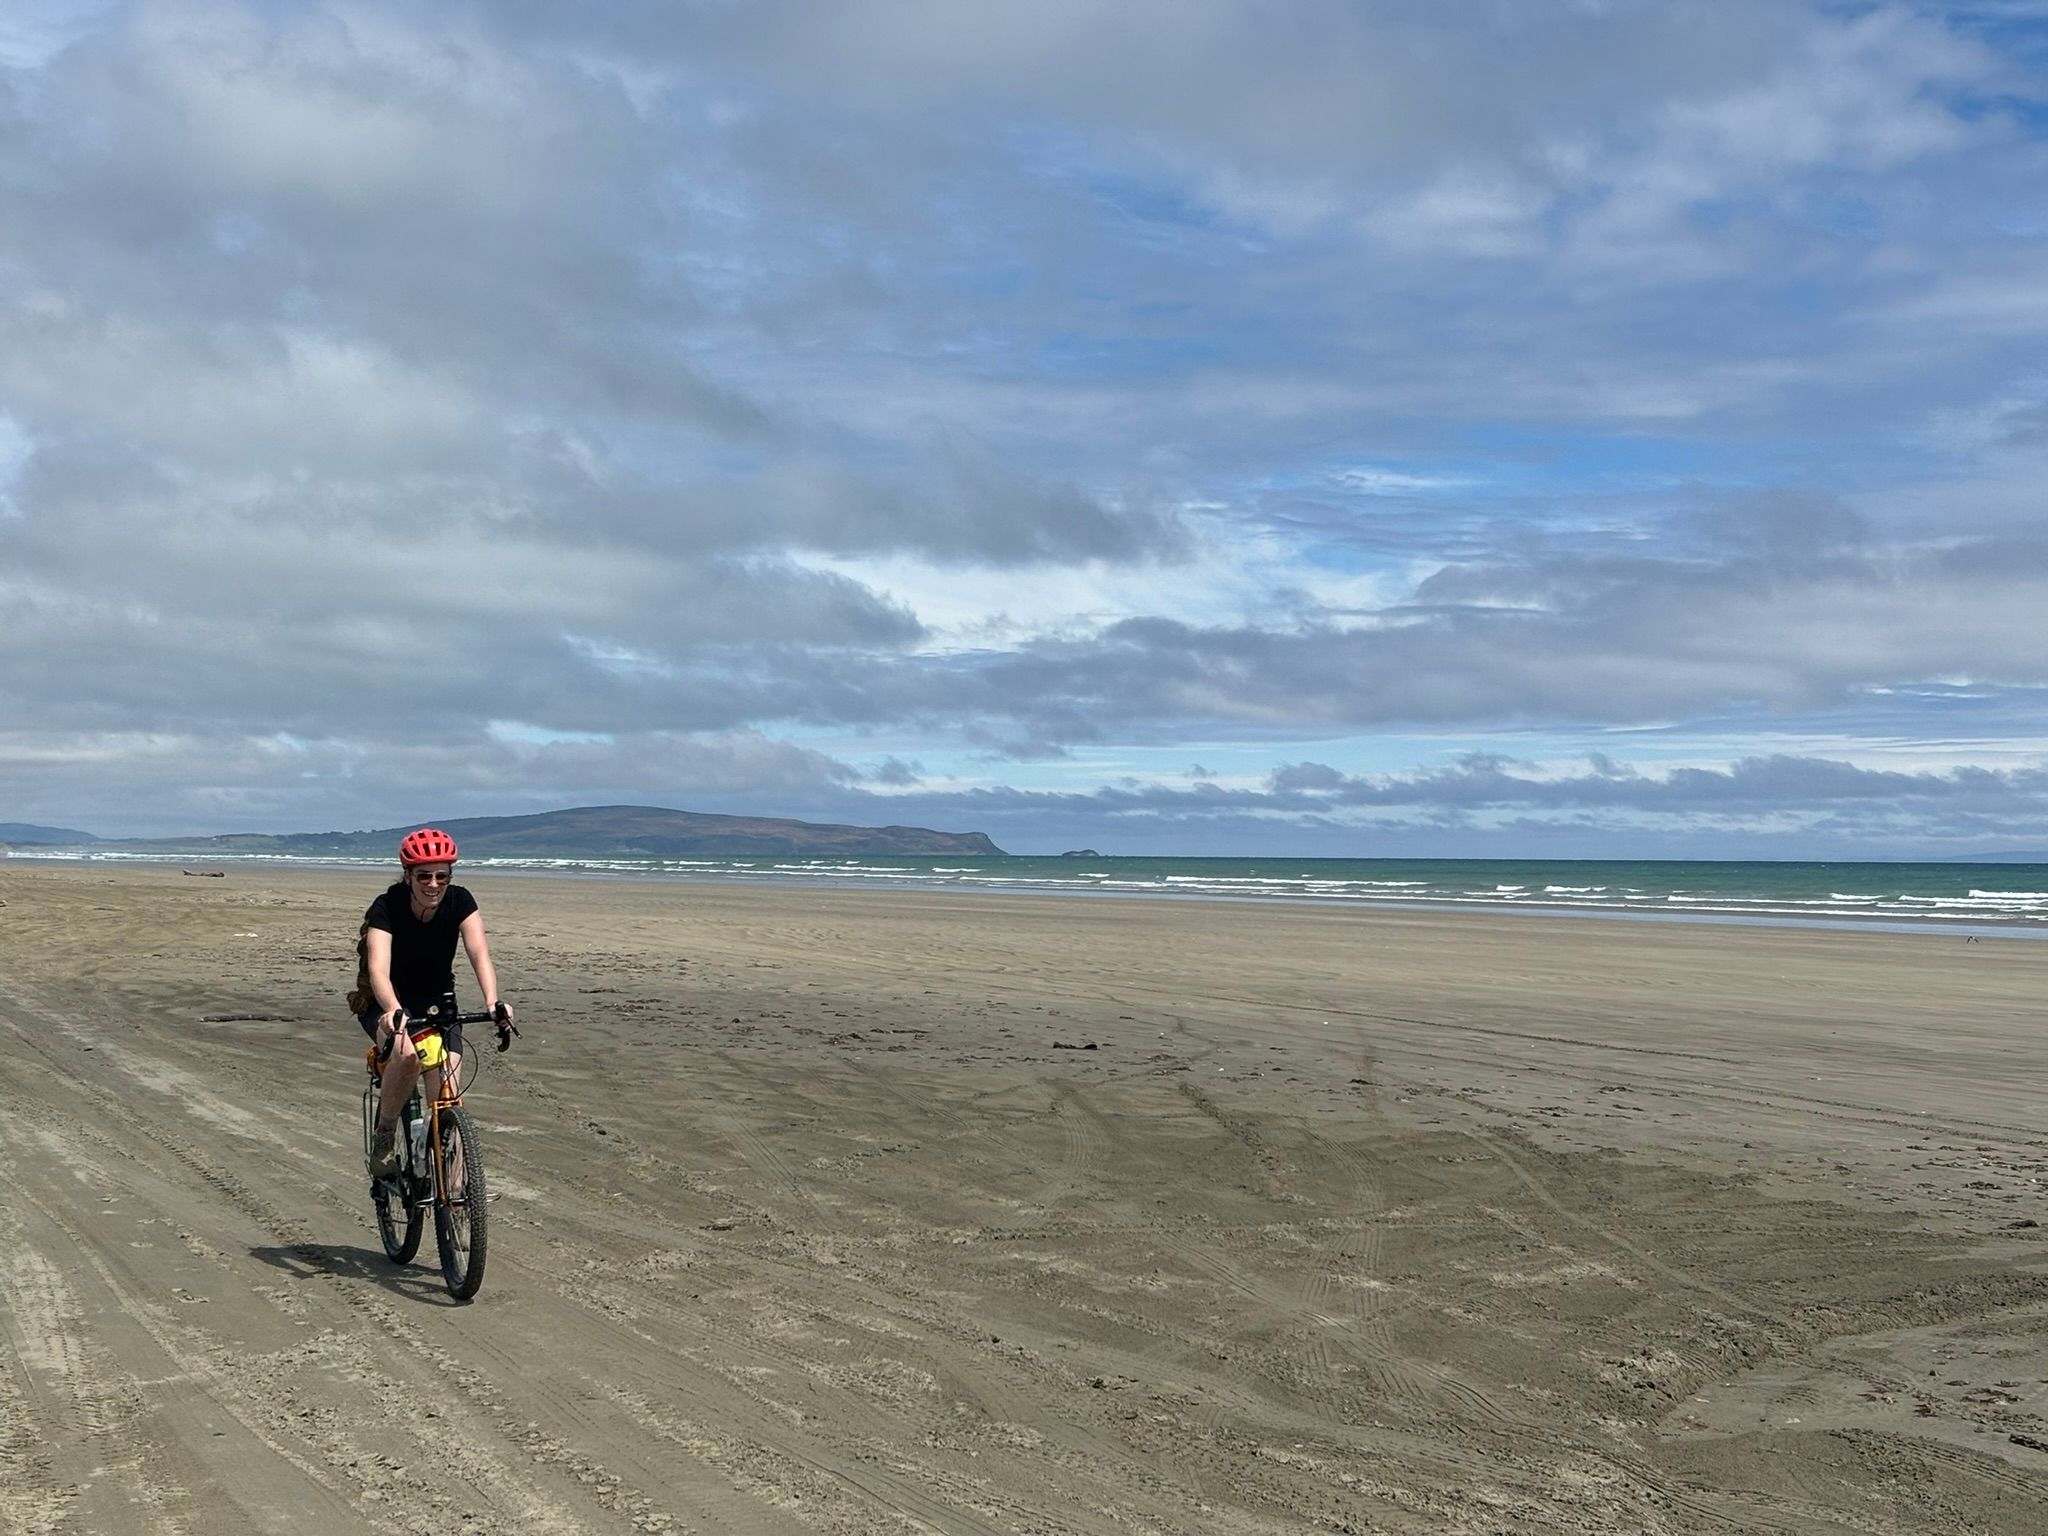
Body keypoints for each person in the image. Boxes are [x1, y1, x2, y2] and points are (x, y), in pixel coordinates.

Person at [358, 828, 514, 1176]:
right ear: (408, 876)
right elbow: (378, 969)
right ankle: (384, 1137)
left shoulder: (460, 901)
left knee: (447, 1096)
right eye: (424, 876)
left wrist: (493, 1002)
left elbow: (479, 954)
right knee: (408, 1056)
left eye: (441, 876)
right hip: (387, 1001)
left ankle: (456, 1192)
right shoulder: (387, 906)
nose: (433, 884)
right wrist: (393, 1010)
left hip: (437, 1003)